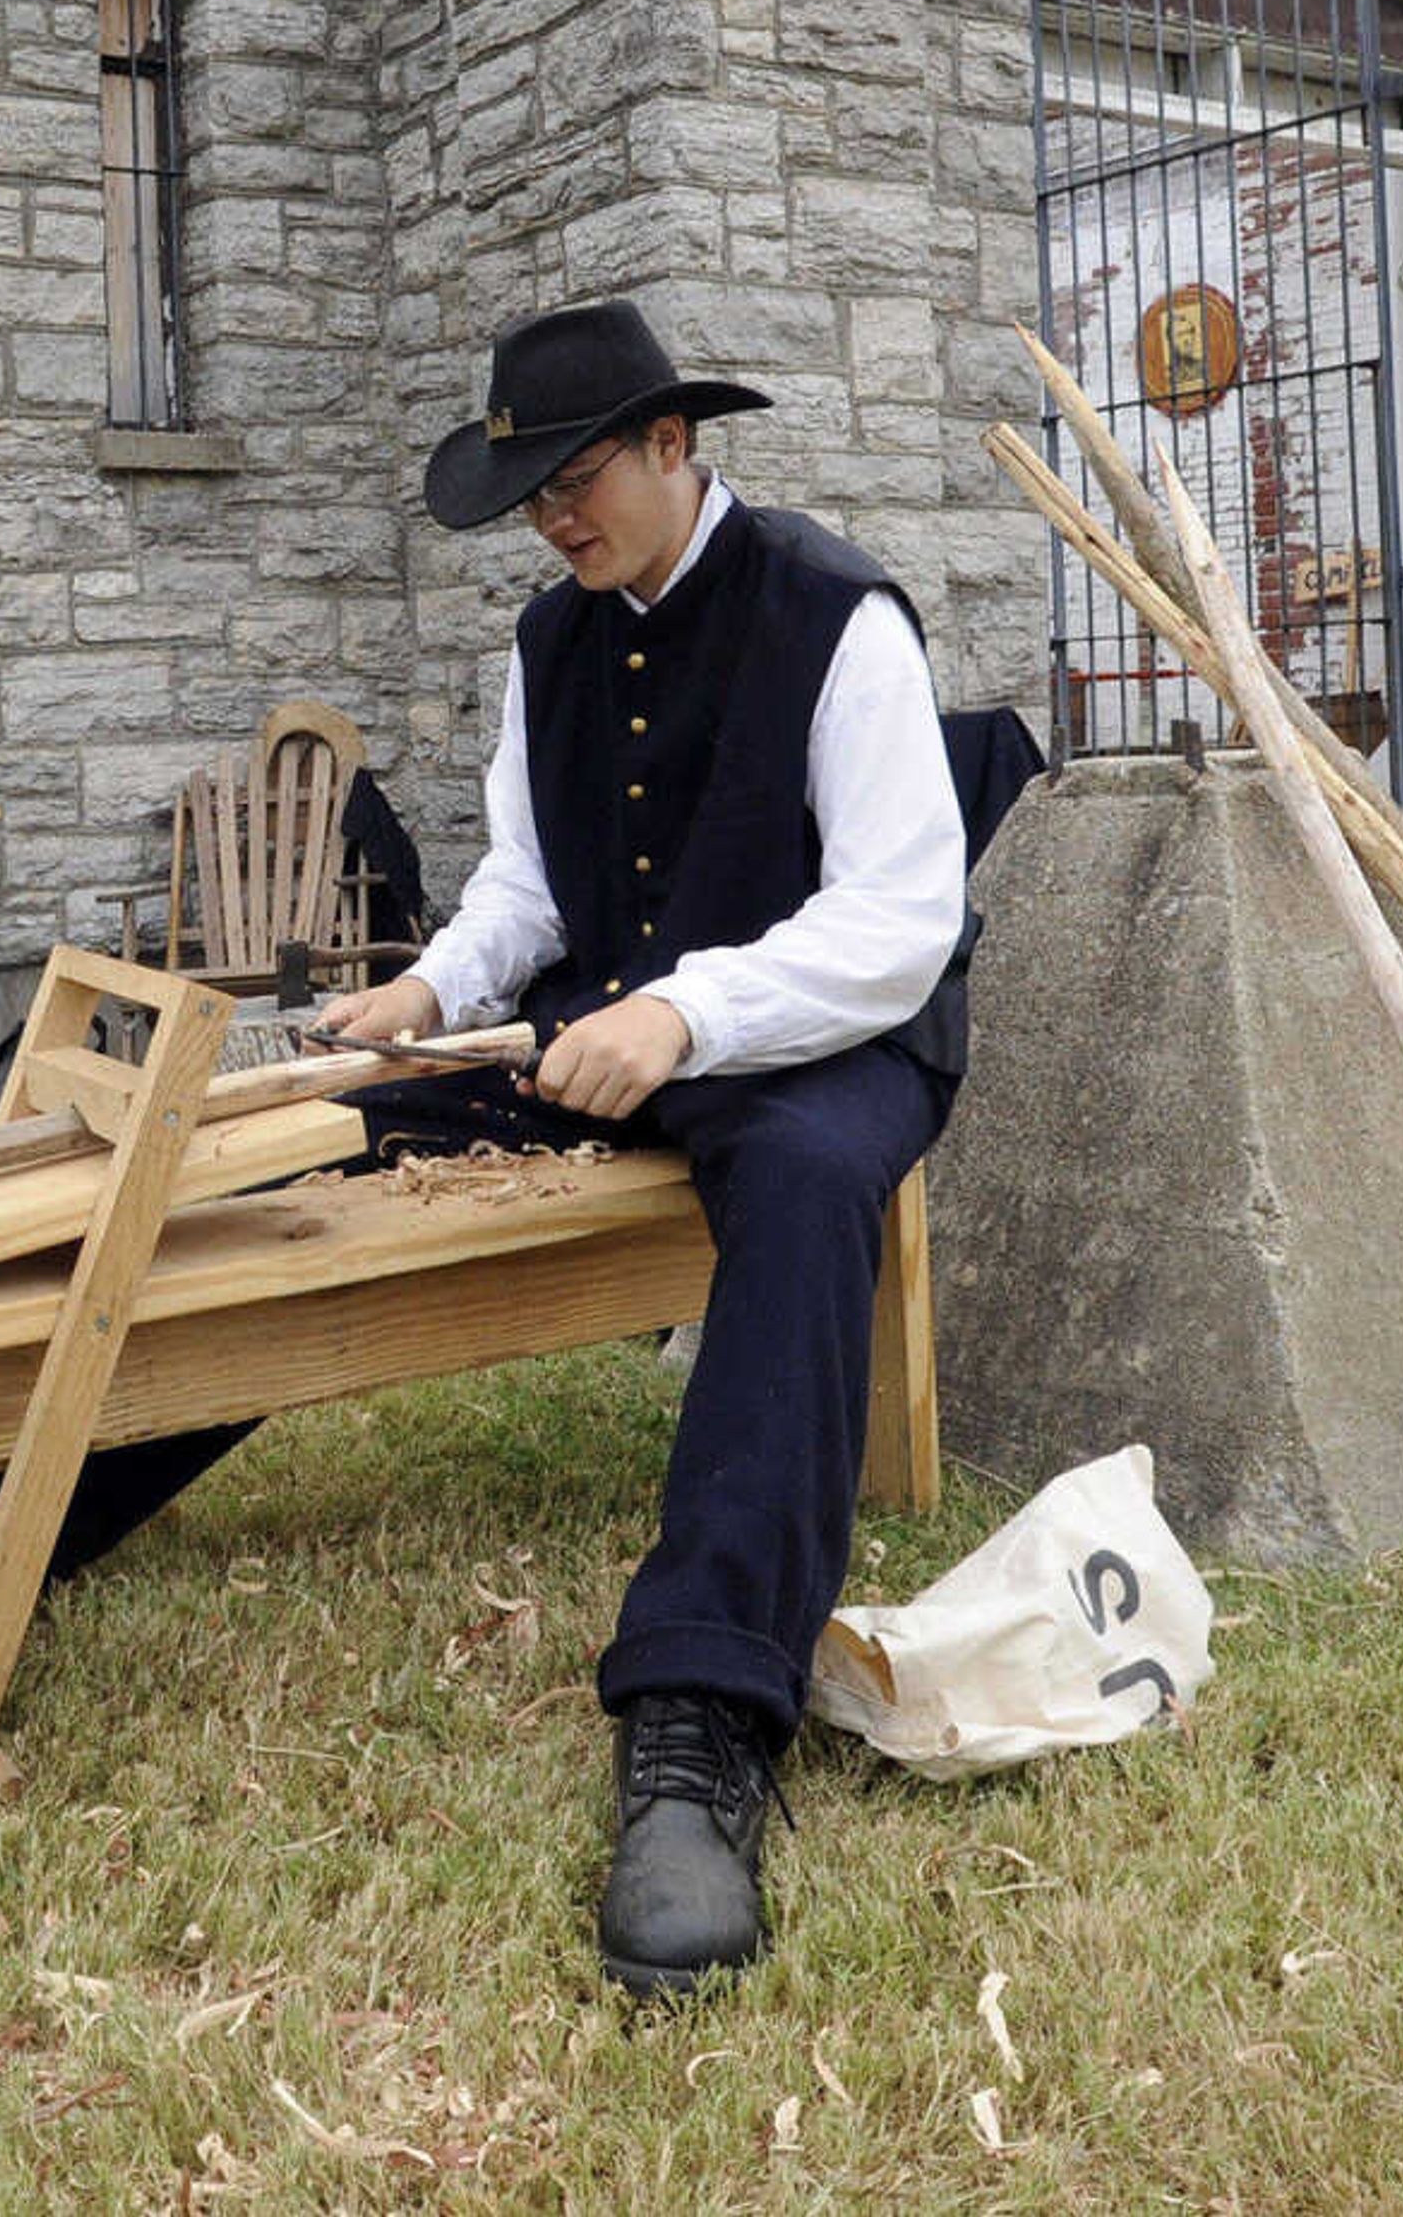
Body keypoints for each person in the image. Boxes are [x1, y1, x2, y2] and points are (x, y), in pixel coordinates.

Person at [317, 295, 970, 2001]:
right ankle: (1, 1508)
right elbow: (526, 897)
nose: (550, 517)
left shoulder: (839, 615)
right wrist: (427, 989)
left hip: (827, 1040)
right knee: (328, 1136)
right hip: (614, 1033)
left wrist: (689, 1015)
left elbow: (904, 919)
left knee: (817, 1185)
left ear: (678, 445)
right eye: (528, 493)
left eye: (573, 478)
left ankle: (699, 1721)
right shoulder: (544, 644)